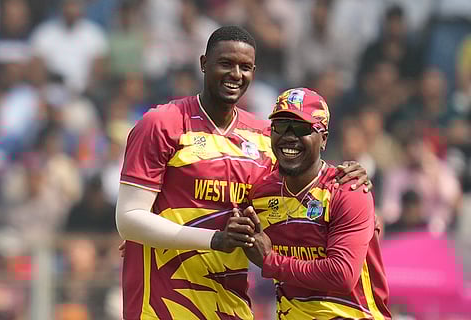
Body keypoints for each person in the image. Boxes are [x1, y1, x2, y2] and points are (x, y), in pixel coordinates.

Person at [116, 26, 372, 320]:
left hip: (231, 306)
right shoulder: (162, 124)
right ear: (203, 63)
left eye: (245, 67)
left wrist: (349, 181)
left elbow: (294, 198)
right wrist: (210, 239)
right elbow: (129, 220)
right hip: (161, 304)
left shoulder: (266, 136)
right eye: (225, 63)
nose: (235, 74)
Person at [229, 88, 392, 319]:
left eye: (301, 128)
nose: (288, 136)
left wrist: (270, 261)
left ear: (323, 138)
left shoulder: (348, 189)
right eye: (281, 126)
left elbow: (342, 275)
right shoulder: (259, 192)